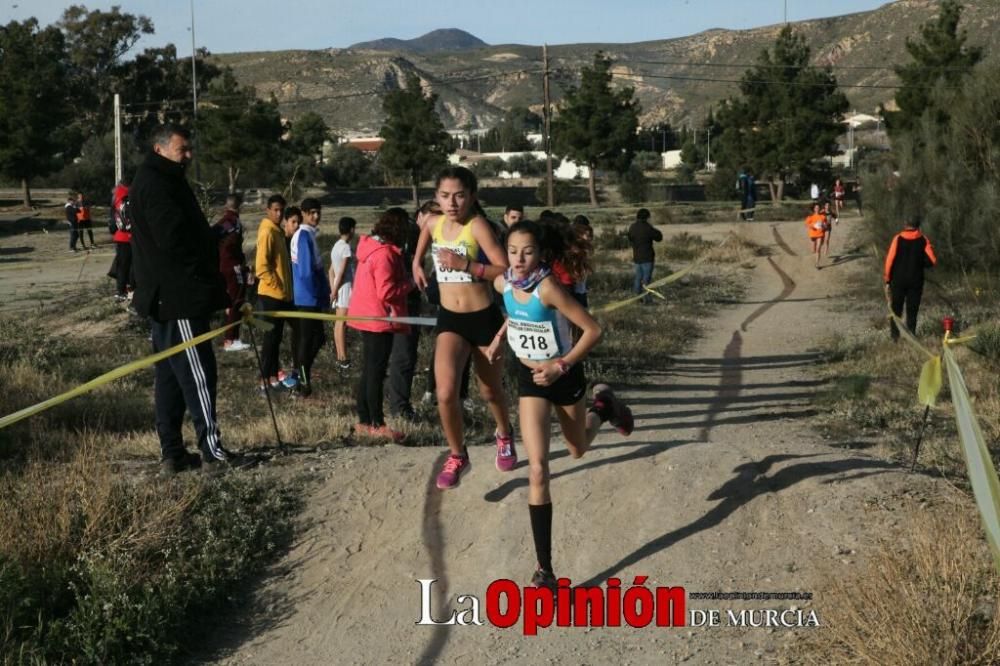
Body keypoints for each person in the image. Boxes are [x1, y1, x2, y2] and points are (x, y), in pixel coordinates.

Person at [485, 219, 633, 591]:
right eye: (513, 251)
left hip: (563, 375)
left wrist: (560, 365)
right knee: (537, 470)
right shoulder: (503, 283)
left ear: (540, 254)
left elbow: (593, 330)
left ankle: (602, 408)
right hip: (528, 379)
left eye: (528, 252)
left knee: (578, 448)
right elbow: (514, 313)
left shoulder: (549, 288)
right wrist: (500, 338)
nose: (519, 259)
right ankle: (545, 571)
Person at [130, 123, 231, 474]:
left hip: (166, 297)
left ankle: (172, 454)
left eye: (189, 149)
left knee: (170, 379)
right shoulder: (157, 183)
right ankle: (213, 453)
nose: (188, 156)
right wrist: (206, 252)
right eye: (182, 150)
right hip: (178, 298)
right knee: (198, 374)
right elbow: (172, 239)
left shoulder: (161, 179)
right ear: (160, 149)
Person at [412, 166, 515, 490]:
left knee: (490, 391)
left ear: (471, 196)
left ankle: (504, 433)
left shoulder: (478, 226)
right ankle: (458, 455)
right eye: (445, 195)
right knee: (445, 393)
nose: (452, 202)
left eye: (459, 195)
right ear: (436, 198)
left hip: (483, 318)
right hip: (450, 320)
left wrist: (467, 266)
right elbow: (423, 241)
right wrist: (416, 263)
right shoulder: (432, 222)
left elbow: (505, 269)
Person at [348, 208, 415, 442]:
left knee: (369, 370)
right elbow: (386, 291)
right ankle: (376, 421)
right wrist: (410, 284)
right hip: (379, 318)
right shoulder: (385, 254)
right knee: (375, 372)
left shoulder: (370, 249)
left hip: (366, 315)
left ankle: (365, 420)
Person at [386, 208, 423, 422]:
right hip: (402, 307)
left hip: (407, 305)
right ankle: (399, 407)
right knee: (403, 357)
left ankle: (399, 404)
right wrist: (412, 283)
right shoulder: (405, 241)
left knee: (404, 358)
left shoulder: (413, 236)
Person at [290, 197, 330, 396]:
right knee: (309, 340)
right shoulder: (304, 235)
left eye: (318, 212)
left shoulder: (307, 235)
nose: (316, 216)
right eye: (312, 212)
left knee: (317, 338)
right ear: (303, 214)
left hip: (310, 297)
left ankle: (301, 375)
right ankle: (302, 380)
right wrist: (317, 293)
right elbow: (306, 272)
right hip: (307, 298)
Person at [254, 194, 293, 391]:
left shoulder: (278, 232)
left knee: (276, 339)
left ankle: (272, 377)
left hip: (280, 296)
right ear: (268, 210)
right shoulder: (267, 232)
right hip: (270, 296)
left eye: (281, 210)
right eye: (275, 210)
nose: (279, 214)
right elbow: (261, 267)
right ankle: (263, 380)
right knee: (269, 341)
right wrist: (277, 286)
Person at [884, 213, 937, 341]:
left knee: (896, 309)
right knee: (912, 309)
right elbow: (932, 260)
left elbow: (889, 261)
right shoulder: (923, 239)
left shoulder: (898, 239)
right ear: (918, 226)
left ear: (905, 224)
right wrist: (920, 262)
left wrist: (887, 279)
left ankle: (894, 337)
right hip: (916, 280)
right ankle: (912, 336)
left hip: (898, 280)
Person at [214, 193, 252, 352]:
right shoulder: (232, 222)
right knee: (237, 300)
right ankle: (230, 340)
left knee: (233, 301)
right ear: (240, 207)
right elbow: (217, 235)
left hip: (227, 265)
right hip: (231, 266)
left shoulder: (228, 221)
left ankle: (233, 337)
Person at [328, 216, 357, 370]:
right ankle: (343, 357)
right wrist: (334, 291)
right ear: (351, 229)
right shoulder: (345, 247)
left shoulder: (335, 246)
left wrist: (333, 288)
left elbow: (330, 271)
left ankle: (340, 356)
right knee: (342, 323)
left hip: (338, 288)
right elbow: (341, 271)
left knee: (338, 323)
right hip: (344, 288)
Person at [627, 208, 663, 304]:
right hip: (647, 257)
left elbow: (630, 238)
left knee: (638, 278)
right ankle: (647, 300)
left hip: (637, 257)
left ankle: (636, 298)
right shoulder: (648, 228)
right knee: (647, 280)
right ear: (647, 217)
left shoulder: (632, 227)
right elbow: (659, 237)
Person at [109, 181, 134, 301]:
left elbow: (112, 223)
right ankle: (129, 289)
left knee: (121, 265)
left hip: (119, 236)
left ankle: (120, 290)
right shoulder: (131, 196)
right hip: (130, 237)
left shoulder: (116, 198)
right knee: (131, 265)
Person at [805, 203, 826, 268]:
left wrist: (823, 225)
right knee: (813, 249)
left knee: (818, 249)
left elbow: (825, 225)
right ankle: (814, 253)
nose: (817, 209)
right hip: (813, 234)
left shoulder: (823, 216)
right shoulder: (810, 217)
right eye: (816, 208)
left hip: (820, 234)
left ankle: (817, 263)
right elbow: (807, 225)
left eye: (818, 208)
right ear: (814, 209)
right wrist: (813, 225)